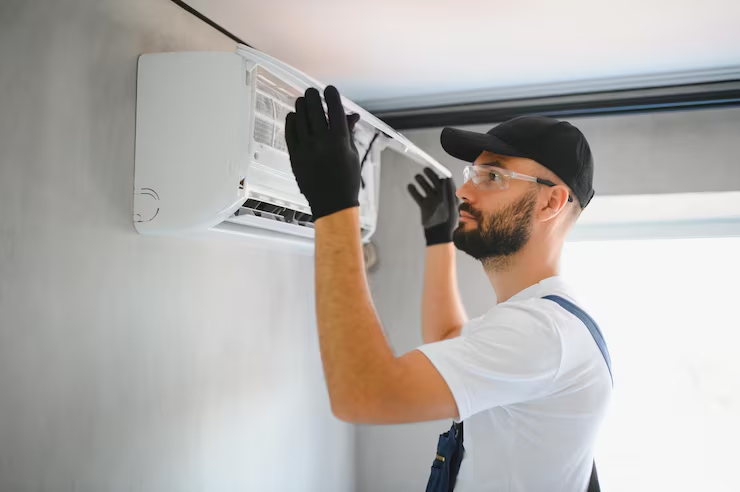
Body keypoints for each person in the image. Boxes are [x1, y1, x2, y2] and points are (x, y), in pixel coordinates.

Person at [284, 86, 612, 492]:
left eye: (493, 176)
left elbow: (364, 393)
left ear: (551, 203)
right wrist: (439, 238)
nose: (463, 191)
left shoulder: (542, 332)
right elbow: (448, 337)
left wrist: (334, 204)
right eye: (473, 174)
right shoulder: (545, 318)